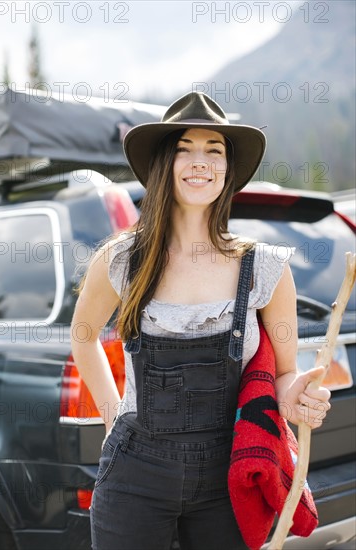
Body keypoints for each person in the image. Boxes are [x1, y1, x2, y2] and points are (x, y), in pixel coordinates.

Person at [71, 91, 331, 550]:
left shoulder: (265, 266)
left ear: (228, 170)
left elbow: (285, 374)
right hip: (135, 474)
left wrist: (298, 397)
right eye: (185, 149)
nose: (200, 162)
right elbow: (84, 336)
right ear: (162, 164)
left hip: (228, 475)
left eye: (214, 151)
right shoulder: (122, 259)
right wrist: (112, 416)